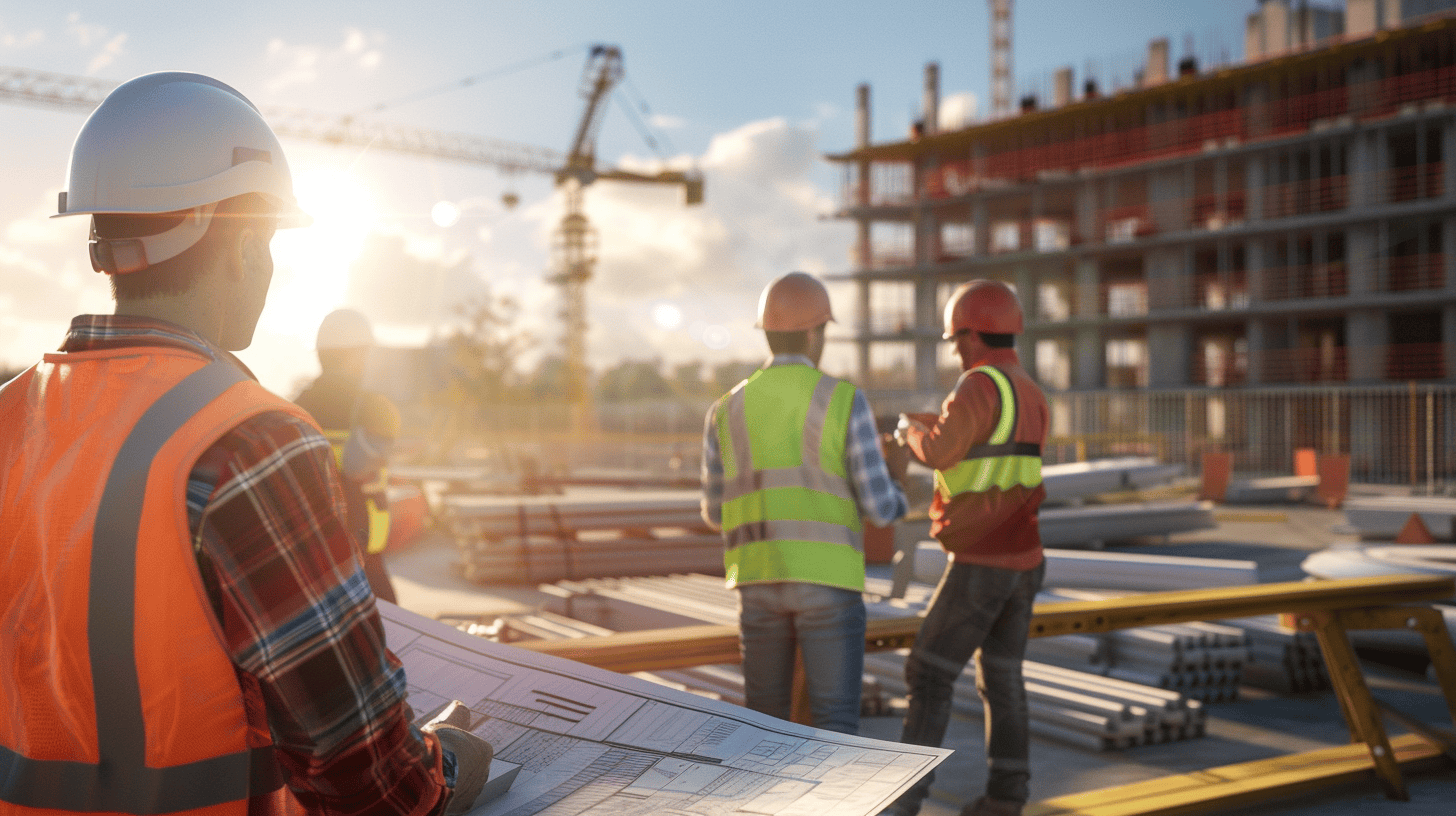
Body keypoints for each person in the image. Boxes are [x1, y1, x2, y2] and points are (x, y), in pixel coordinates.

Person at [0, 72, 490, 815]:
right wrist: (446, 765)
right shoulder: (248, 438)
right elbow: (370, 782)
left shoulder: (12, 415)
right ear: (248, 246)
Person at [700, 271, 908, 735]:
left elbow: (714, 514)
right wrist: (899, 481)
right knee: (834, 727)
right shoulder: (843, 401)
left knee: (766, 729)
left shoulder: (726, 409)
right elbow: (879, 508)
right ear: (815, 333)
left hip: (756, 581)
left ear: (768, 333)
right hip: (828, 585)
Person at [880, 279, 1049, 816]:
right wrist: (940, 423)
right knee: (1002, 674)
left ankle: (904, 804)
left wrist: (910, 432)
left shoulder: (978, 384)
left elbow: (940, 451)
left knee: (928, 672)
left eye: (956, 340)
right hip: (1025, 559)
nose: (955, 350)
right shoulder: (1028, 389)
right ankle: (1007, 798)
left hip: (982, 561)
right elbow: (985, 446)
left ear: (973, 336)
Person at [295, 307, 401, 604]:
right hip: (365, 547)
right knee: (390, 632)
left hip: (316, 548)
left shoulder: (294, 408)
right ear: (358, 354)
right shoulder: (377, 408)